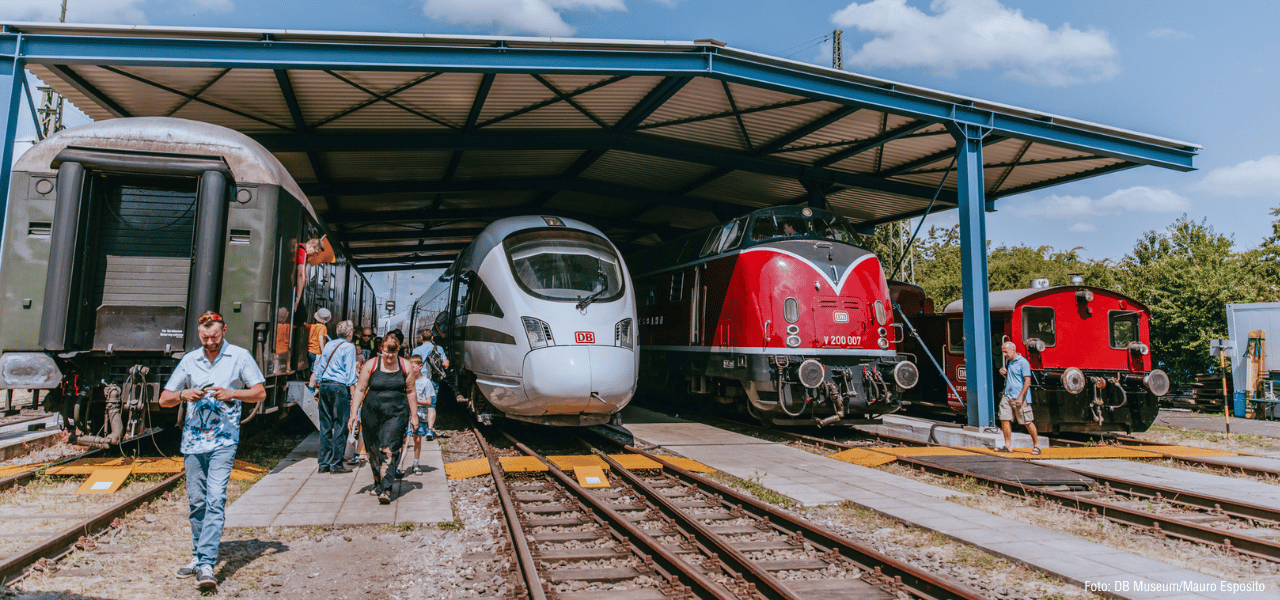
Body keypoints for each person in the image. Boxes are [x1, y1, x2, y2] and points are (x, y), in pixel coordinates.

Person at [159, 312, 266, 593]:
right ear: (199, 334)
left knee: (215, 498)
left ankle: (206, 564)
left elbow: (259, 393)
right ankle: (197, 557)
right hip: (193, 443)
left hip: (224, 441)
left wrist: (233, 394)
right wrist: (184, 394)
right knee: (197, 502)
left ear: (224, 331)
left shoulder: (240, 357)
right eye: (205, 337)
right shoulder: (189, 360)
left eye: (214, 337)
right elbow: (164, 399)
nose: (209, 342)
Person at [349, 337, 418, 504]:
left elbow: (411, 392)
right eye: (387, 352)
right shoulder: (371, 365)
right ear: (381, 349)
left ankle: (386, 488)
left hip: (396, 413)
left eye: (393, 352)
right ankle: (378, 483)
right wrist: (353, 414)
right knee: (373, 449)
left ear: (398, 350)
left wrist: (414, 415)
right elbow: (360, 389)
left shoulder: (405, 365)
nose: (389, 356)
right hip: (372, 413)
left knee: (388, 448)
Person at [310, 320, 358, 474]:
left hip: (324, 385)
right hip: (339, 387)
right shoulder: (349, 347)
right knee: (340, 425)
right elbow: (350, 371)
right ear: (350, 334)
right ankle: (336, 464)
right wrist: (353, 391)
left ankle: (323, 463)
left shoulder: (329, 345)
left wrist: (318, 384)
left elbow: (321, 365)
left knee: (325, 426)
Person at [996, 341, 1040, 454]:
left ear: (1013, 350)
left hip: (1019, 397)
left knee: (1027, 421)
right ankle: (1008, 445)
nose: (1004, 354)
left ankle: (1037, 445)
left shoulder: (1023, 363)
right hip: (1007, 395)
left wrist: (1020, 397)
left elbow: (1027, 381)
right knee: (1004, 418)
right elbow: (1012, 378)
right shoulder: (1008, 362)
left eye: (1006, 352)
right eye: (1003, 352)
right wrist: (1003, 373)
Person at [404, 355, 436, 473]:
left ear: (420, 366)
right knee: (405, 439)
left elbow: (429, 402)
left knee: (417, 439)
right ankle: (399, 465)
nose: (410, 369)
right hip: (406, 412)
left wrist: (415, 401)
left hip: (420, 413)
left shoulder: (426, 382)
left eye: (412, 367)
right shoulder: (406, 380)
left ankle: (416, 463)